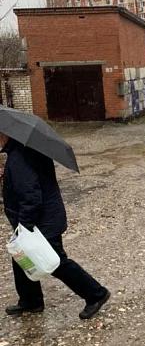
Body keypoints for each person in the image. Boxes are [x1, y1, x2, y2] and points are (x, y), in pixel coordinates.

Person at [0, 133, 110, 319]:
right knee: (20, 257)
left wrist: (24, 227)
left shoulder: (19, 157)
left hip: (43, 221)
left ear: (5, 134)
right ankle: (31, 301)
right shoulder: (25, 151)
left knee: (56, 262)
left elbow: (31, 197)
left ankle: (96, 294)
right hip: (46, 217)